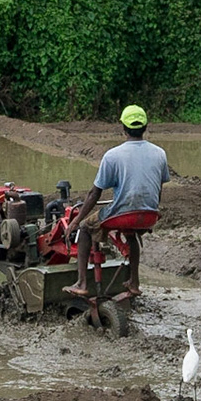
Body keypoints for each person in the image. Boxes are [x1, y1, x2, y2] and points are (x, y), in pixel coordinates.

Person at [64, 104, 168, 299]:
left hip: (123, 214)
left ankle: (82, 282)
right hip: (149, 214)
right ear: (146, 127)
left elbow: (94, 193)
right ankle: (134, 283)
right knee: (132, 236)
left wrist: (76, 222)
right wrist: (149, 212)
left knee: (86, 228)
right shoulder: (160, 153)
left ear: (123, 128)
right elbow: (158, 189)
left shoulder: (113, 156)